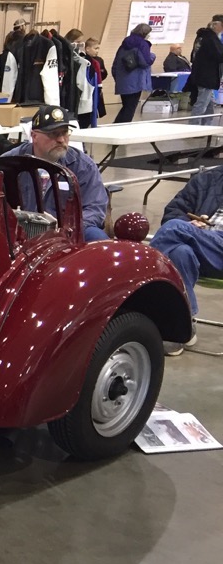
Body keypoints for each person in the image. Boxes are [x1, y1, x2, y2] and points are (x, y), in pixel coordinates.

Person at [2, 104, 109, 241]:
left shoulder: (83, 166)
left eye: (64, 132)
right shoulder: (10, 162)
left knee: (96, 237)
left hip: (66, 235)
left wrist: (67, 227)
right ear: (34, 136)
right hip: (19, 232)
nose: (61, 140)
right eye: (53, 134)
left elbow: (95, 208)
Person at [150, 166, 223, 354]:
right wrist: (191, 224)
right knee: (179, 252)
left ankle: (142, 297)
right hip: (202, 247)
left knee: (175, 228)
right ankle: (182, 326)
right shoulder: (208, 179)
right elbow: (174, 209)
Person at [112, 23, 155, 123]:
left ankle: (115, 126)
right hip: (135, 81)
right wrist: (152, 56)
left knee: (126, 106)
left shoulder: (124, 44)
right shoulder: (143, 44)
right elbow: (145, 62)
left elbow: (115, 64)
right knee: (130, 108)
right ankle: (122, 128)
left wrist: (117, 78)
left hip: (122, 80)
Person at [189, 15, 223, 118]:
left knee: (209, 105)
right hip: (206, 76)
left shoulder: (204, 37)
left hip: (205, 74)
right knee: (202, 104)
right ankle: (194, 125)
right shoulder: (210, 39)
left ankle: (206, 125)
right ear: (216, 25)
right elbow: (219, 55)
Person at [79, 38, 108, 128]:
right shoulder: (82, 60)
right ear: (87, 49)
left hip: (95, 87)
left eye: (98, 48)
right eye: (95, 48)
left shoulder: (99, 61)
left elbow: (103, 74)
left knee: (94, 110)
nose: (97, 51)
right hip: (87, 88)